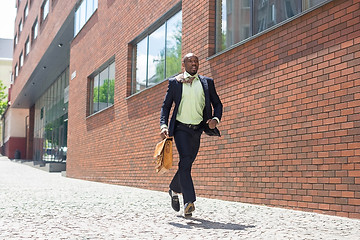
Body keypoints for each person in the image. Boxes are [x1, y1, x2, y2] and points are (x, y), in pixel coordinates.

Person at [160, 53, 223, 217]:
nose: (194, 63)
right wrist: (163, 125)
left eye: (196, 61)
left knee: (186, 164)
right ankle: (189, 202)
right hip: (181, 128)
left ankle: (174, 189)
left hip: (198, 129)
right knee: (186, 160)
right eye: (190, 61)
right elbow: (166, 106)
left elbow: (217, 103)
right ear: (184, 64)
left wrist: (215, 119)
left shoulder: (206, 82)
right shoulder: (175, 82)